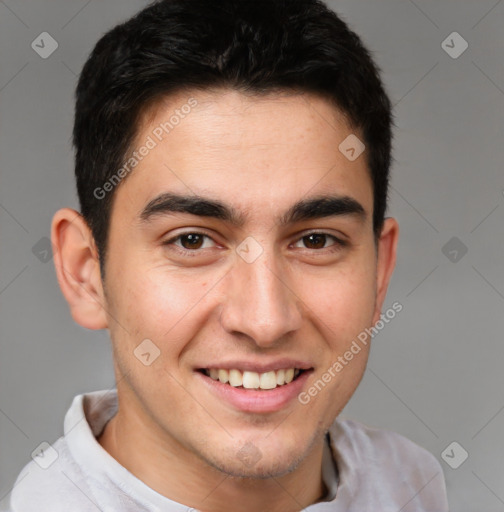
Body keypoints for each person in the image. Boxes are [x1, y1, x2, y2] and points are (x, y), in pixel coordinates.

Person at [8, 0, 449, 510]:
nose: (265, 321)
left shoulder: (413, 486)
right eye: (192, 240)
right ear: (86, 273)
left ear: (379, 272)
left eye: (315, 240)